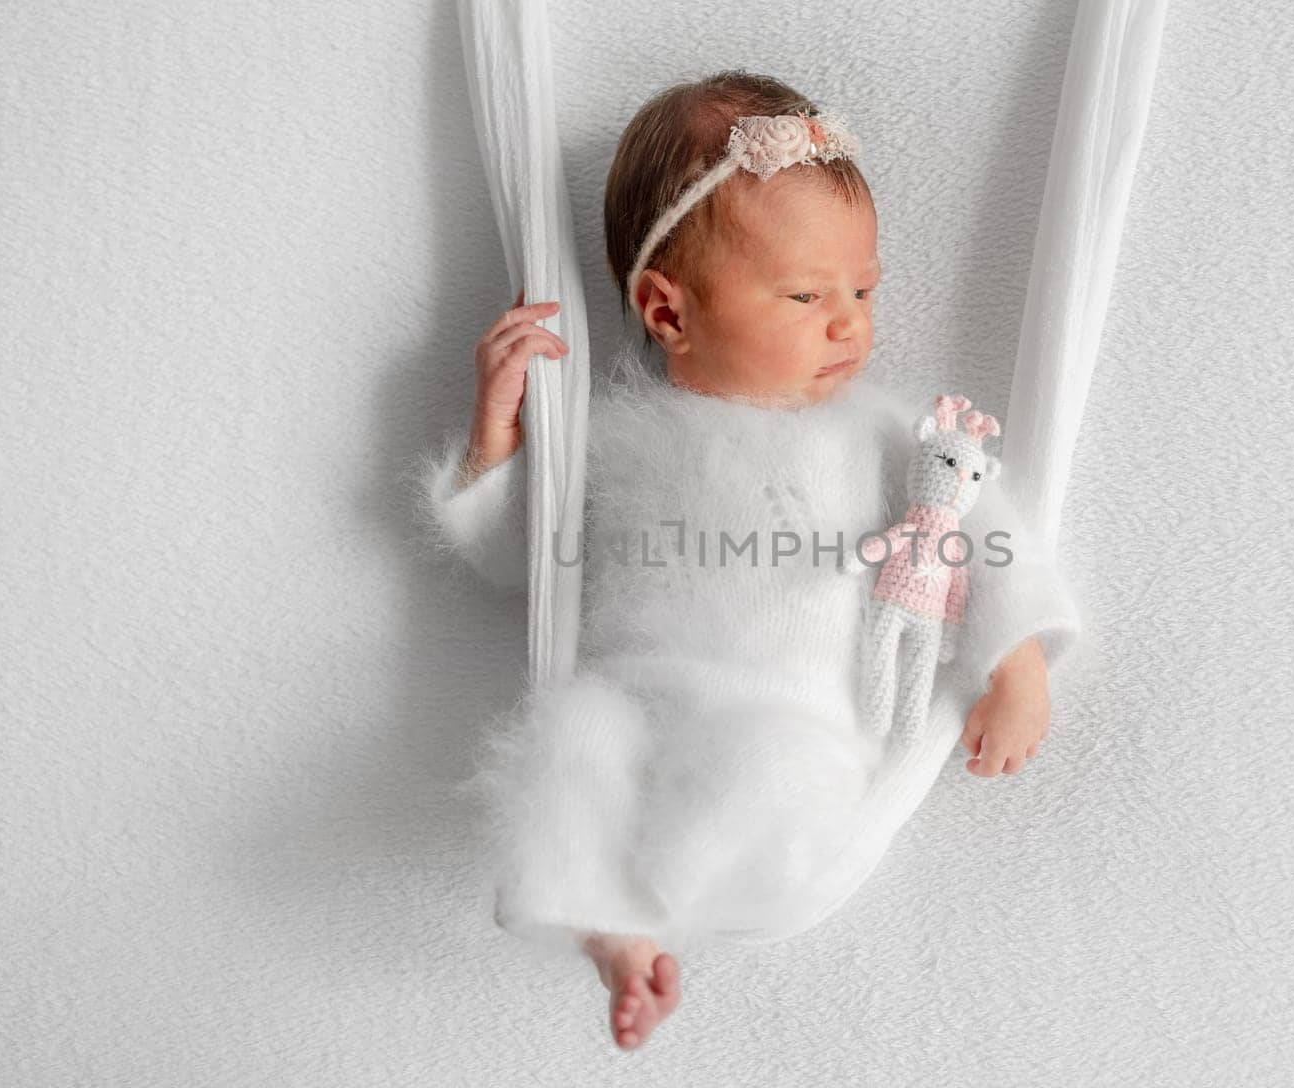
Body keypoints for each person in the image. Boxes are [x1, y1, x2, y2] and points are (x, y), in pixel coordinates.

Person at [414, 70, 1071, 1051]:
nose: (848, 322)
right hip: (635, 692)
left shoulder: (887, 434)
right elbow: (522, 562)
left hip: (787, 710)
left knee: (771, 771)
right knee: (567, 742)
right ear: (668, 313)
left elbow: (987, 529)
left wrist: (1015, 664)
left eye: (861, 288)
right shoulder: (613, 438)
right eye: (807, 294)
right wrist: (495, 434)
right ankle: (618, 938)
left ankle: (683, 883)